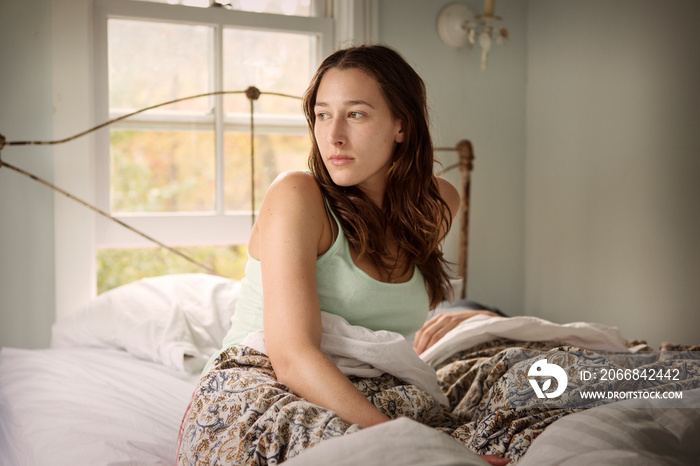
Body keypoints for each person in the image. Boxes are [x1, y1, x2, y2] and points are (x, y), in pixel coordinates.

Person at [180, 44, 509, 466]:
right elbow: (293, 356)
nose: (333, 135)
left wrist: (470, 316)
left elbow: (390, 326)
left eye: (355, 114)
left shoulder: (438, 203)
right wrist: (406, 442)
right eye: (322, 114)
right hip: (266, 384)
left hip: (371, 387)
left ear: (400, 126)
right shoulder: (297, 195)